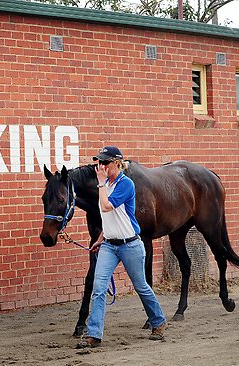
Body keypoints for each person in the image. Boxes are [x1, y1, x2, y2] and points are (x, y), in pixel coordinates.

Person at [77, 146, 167, 348]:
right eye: (99, 163)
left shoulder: (126, 184)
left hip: (130, 245)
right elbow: (106, 216)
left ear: (117, 163)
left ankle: (158, 322)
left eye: (105, 162)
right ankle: (94, 335)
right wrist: (100, 238)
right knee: (99, 289)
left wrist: (100, 184)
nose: (100, 166)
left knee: (141, 287)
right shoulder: (105, 185)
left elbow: (108, 206)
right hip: (109, 245)